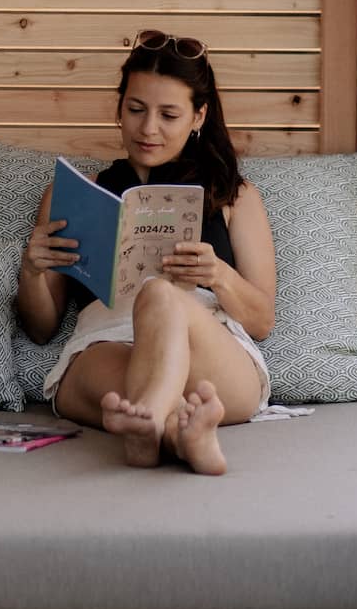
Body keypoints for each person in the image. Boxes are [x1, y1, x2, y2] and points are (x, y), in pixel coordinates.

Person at [16, 30, 278, 473]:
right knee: (122, 362)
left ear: (198, 116)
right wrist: (31, 272)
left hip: (209, 353)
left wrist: (219, 276)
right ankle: (177, 432)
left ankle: (147, 427)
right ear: (118, 109)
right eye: (136, 110)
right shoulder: (80, 194)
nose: (148, 128)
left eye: (168, 114)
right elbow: (42, 328)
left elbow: (263, 321)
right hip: (108, 345)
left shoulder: (235, 197)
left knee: (159, 293)